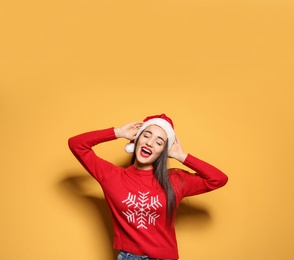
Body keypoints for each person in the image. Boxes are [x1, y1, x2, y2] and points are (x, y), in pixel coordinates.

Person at [68, 114, 228, 260]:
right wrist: (118, 132)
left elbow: (218, 179)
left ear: (163, 151)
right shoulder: (111, 176)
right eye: (146, 135)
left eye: (159, 142)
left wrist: (181, 155)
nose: (150, 143)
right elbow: (76, 144)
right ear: (136, 139)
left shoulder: (174, 179)